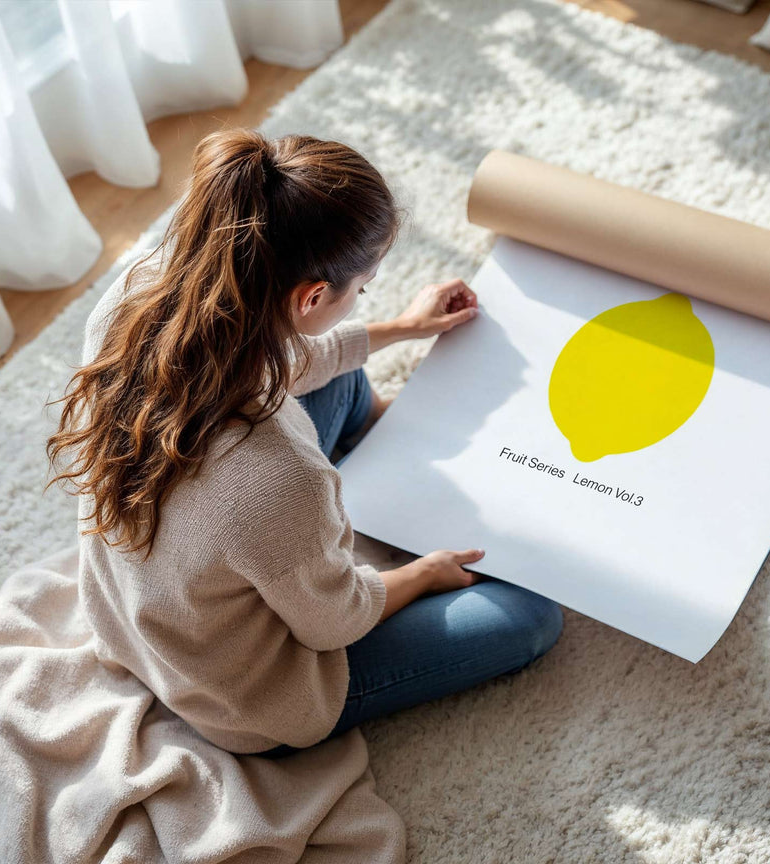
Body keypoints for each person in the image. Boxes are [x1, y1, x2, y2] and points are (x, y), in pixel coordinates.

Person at [45, 128, 563, 760]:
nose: (363, 299)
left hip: (139, 611)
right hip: (241, 696)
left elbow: (288, 357)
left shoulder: (142, 290)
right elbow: (335, 622)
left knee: (342, 376)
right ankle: (386, 465)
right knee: (530, 616)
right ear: (313, 295)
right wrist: (425, 572)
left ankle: (389, 440)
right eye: (362, 289)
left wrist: (403, 327)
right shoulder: (278, 474)